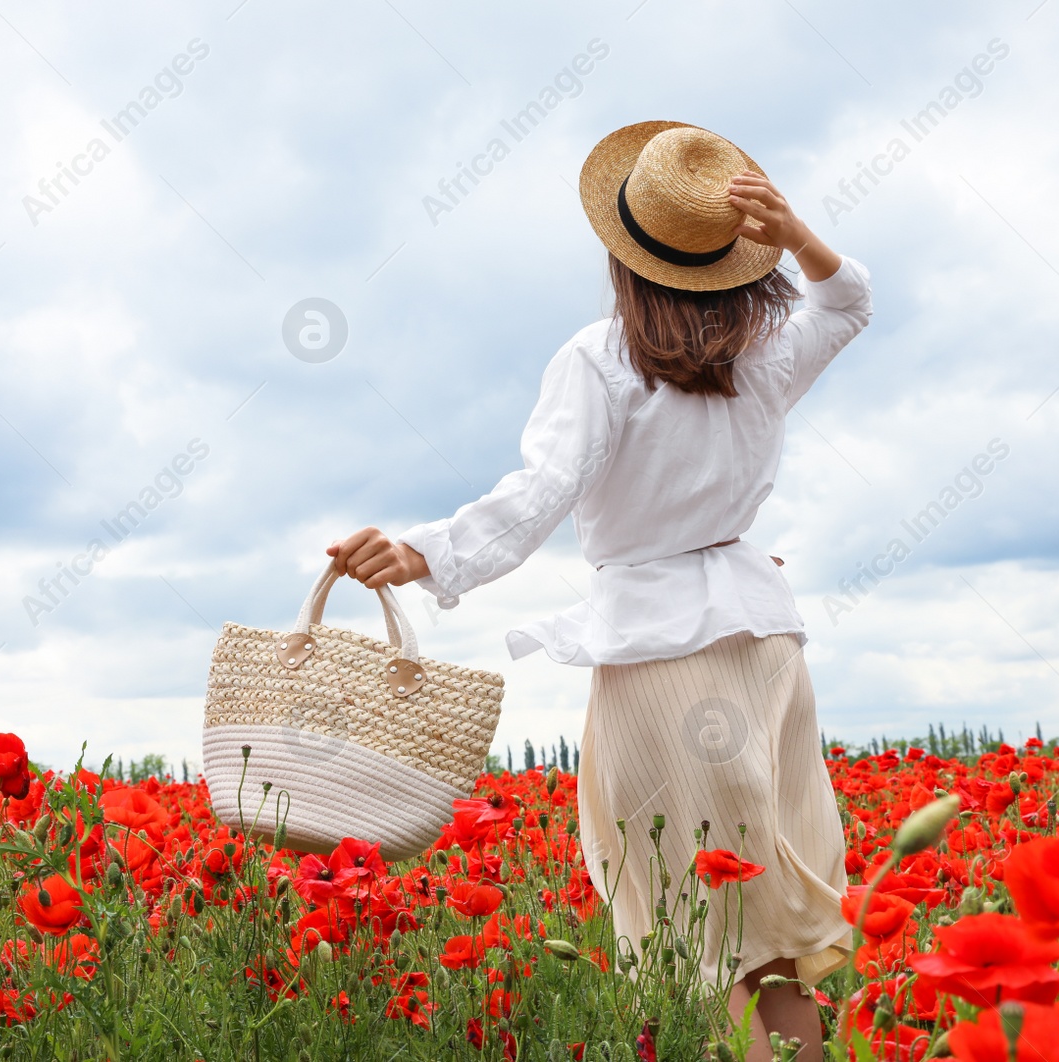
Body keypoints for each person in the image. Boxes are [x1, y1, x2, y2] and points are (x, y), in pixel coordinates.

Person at [328, 120, 871, 1062]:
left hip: (661, 656)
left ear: (622, 250)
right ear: (732, 253)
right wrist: (799, 237)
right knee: (770, 928)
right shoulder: (764, 350)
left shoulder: (600, 357)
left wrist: (425, 553)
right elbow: (849, 302)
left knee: (686, 930)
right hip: (765, 646)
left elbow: (539, 494)